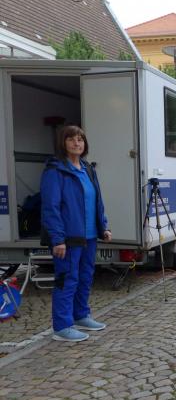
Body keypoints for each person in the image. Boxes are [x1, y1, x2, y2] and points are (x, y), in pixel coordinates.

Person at [40, 125, 112, 342]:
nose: (76, 143)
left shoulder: (88, 169)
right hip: (68, 239)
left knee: (85, 277)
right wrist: (57, 239)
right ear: (62, 143)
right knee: (67, 279)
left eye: (80, 139)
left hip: (89, 236)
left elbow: (97, 201)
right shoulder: (55, 171)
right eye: (71, 139)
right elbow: (51, 208)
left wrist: (103, 227)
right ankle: (62, 327)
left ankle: (81, 315)